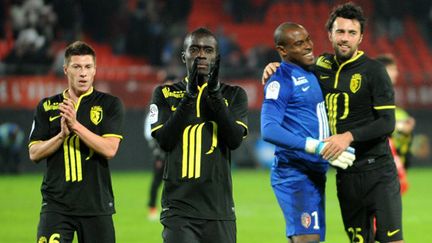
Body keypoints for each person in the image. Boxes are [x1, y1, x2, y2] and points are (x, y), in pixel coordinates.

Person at [261, 3, 404, 243]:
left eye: (352, 33)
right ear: (330, 35)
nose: (345, 38)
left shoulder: (374, 71)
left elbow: (387, 122)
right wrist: (275, 67)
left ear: (361, 37)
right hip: (344, 172)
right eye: (340, 32)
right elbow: (289, 72)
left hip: (377, 170)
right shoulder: (320, 66)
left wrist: (348, 136)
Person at [149, 27, 248, 243]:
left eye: (208, 50)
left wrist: (213, 94)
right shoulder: (164, 93)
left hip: (219, 211)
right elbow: (165, 141)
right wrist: (189, 96)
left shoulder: (234, 95)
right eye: (194, 49)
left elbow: (234, 140)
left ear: (217, 57)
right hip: (179, 211)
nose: (201, 54)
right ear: (183, 55)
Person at [261, 22, 355, 243]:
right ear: (283, 50)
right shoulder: (280, 80)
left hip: (314, 172)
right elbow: (269, 129)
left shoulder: (313, 71)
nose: (307, 47)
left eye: (308, 40)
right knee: (307, 239)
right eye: (298, 43)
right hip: (294, 173)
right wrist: (317, 146)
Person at [28, 41, 124, 243]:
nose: (83, 73)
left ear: (95, 70)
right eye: (77, 67)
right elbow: (34, 153)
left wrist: (75, 126)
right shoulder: (47, 106)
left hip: (96, 205)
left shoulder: (109, 104)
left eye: (88, 67)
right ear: (65, 70)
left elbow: (110, 149)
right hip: (56, 206)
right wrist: (61, 136)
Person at [375, 54, 416, 169]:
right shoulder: (374, 92)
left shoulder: (388, 93)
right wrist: (400, 126)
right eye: (393, 69)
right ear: (383, 71)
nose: (396, 73)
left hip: (392, 159)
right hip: (378, 161)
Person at [144, 76, 175, 221]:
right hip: (161, 152)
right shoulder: (155, 108)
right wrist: (157, 154)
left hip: (176, 151)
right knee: (157, 180)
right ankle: (152, 208)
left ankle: (174, 207)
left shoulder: (179, 107)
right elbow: (149, 133)